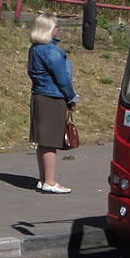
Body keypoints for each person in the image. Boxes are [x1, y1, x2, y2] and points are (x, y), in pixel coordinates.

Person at [27, 11, 78, 194]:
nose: (59, 29)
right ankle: (50, 180)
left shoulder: (35, 49)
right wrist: (72, 97)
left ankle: (43, 179)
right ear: (49, 29)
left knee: (43, 142)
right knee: (50, 142)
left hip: (38, 95)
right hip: (53, 98)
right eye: (56, 26)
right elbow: (63, 79)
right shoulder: (52, 51)